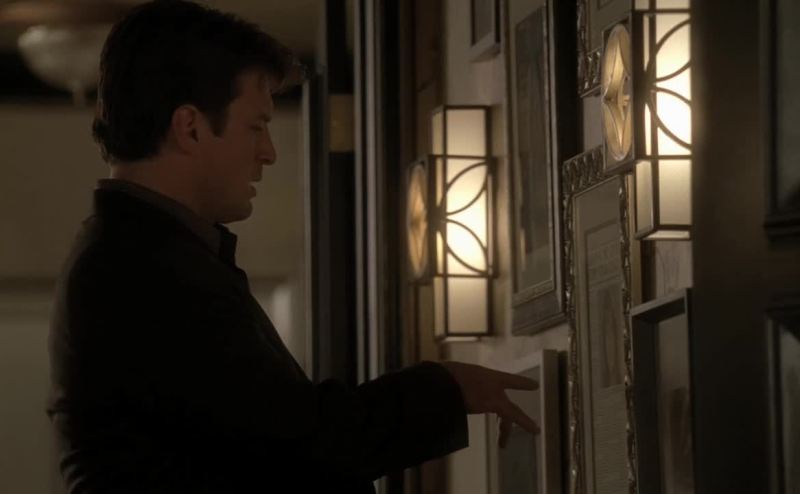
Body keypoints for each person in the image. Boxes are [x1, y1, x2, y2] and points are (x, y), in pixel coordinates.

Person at [47, 1, 539, 492]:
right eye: (256, 126)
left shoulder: (144, 255)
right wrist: (447, 388)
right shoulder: (140, 269)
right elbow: (295, 441)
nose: (269, 152)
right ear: (190, 127)